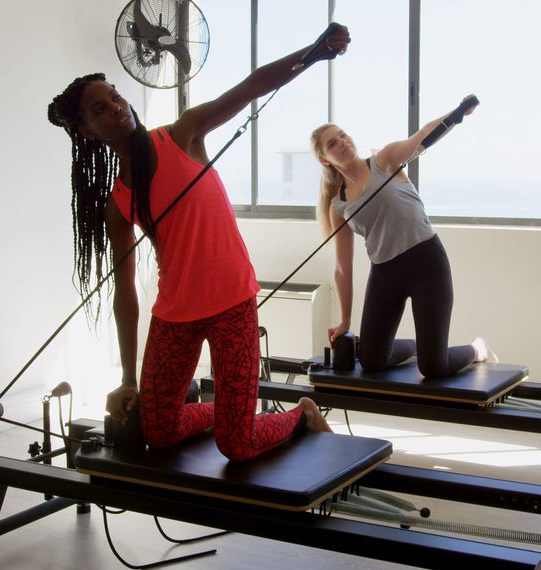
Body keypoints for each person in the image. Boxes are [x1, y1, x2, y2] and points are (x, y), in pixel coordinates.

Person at [47, 24, 350, 461]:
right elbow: (125, 291)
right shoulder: (119, 202)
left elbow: (249, 87)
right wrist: (128, 377)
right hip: (175, 315)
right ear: (88, 131)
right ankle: (223, 412)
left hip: (232, 304)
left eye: (114, 95)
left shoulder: (182, 134)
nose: (116, 107)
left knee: (238, 443)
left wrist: (312, 52)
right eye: (100, 109)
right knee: (158, 428)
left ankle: (301, 415)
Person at [310, 97, 498, 379]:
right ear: (325, 159)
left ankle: (477, 349)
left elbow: (422, 137)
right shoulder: (339, 205)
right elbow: (342, 268)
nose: (343, 143)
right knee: (371, 360)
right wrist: (345, 321)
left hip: (426, 262)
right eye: (333, 144)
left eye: (342, 136)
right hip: (385, 273)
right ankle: (416, 347)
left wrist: (456, 114)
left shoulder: (384, 160)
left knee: (434, 367)